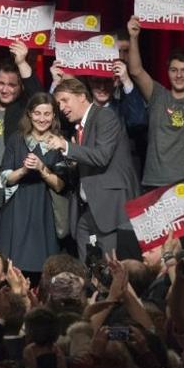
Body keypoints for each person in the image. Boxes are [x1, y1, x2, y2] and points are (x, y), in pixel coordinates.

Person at [127, 16, 184, 203]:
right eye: (174, 70)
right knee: (158, 234)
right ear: (168, 72)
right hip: (157, 183)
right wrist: (133, 37)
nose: (179, 75)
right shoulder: (158, 95)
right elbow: (135, 71)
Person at [48, 79, 139, 260]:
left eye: (65, 100)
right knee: (88, 265)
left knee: (110, 268)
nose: (62, 107)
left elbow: (102, 156)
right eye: (58, 104)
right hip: (88, 210)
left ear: (82, 96)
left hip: (109, 208)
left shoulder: (105, 116)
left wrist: (66, 146)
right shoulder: (80, 128)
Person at [0, 42, 42, 247]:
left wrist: (22, 62)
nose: (4, 89)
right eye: (1, 83)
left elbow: (38, 95)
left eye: (11, 85)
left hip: (10, 196)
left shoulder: (24, 110)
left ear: (20, 87)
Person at [0, 93, 66, 276]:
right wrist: (24, 170)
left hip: (44, 210)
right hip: (16, 208)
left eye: (47, 114)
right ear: (29, 114)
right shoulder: (16, 139)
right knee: (12, 266)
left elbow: (60, 185)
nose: (42, 119)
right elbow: (4, 177)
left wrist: (42, 168)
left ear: (53, 116)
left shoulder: (58, 143)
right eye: (37, 113)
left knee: (42, 268)